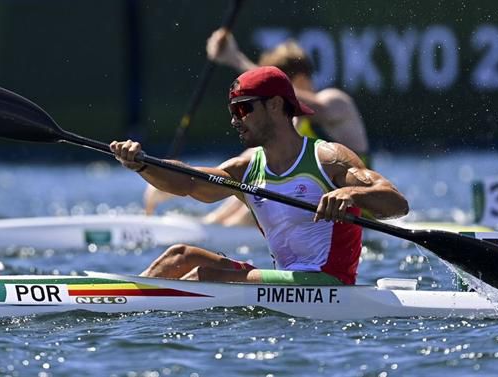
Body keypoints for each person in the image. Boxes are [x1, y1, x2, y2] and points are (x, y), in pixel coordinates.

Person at [111, 66, 408, 285]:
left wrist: (350, 193)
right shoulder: (247, 169)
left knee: (205, 276)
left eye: (243, 109)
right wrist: (142, 164)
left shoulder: (328, 159)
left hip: (327, 283)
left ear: (275, 105)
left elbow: (396, 203)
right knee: (180, 257)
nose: (234, 120)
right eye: (232, 111)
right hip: (283, 280)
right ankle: (116, 303)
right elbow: (189, 181)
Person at [144, 29, 371, 225]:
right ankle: (214, 223)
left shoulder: (335, 101)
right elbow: (251, 160)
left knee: (269, 187)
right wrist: (165, 174)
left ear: (299, 79)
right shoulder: (292, 124)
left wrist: (236, 59)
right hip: (310, 207)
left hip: (355, 212)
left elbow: (317, 107)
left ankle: (218, 227)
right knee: (258, 164)